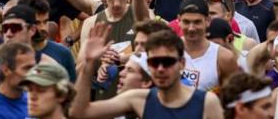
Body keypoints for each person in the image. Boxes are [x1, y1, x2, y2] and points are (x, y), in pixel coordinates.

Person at [71, 25, 224, 119]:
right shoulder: (138, 99)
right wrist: (89, 64)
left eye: (168, 62)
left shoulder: (206, 102)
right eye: (154, 62)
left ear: (182, 63)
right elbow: (80, 113)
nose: (161, 69)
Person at [176, 0, 238, 90]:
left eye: (197, 22)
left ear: (208, 21)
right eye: (186, 22)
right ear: (179, 21)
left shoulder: (224, 57)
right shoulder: (169, 50)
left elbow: (232, 97)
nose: (191, 28)